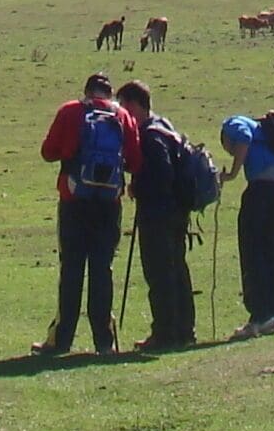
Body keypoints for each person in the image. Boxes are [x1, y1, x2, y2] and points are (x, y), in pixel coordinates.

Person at [33, 70, 128, 355]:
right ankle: (104, 342)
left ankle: (61, 340)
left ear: (87, 91)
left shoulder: (70, 111)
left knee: (71, 269)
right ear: (110, 94)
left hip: (74, 201)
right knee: (102, 269)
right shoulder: (122, 117)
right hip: (109, 205)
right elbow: (134, 160)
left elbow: (48, 151)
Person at [117, 79, 200, 350]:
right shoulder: (165, 126)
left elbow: (161, 173)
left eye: (124, 106)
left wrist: (138, 187)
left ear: (133, 105)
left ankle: (165, 333)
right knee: (177, 269)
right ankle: (184, 330)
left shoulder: (149, 136)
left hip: (158, 213)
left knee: (159, 272)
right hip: (178, 210)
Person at [221, 111, 274, 338]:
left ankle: (259, 316)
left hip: (262, 186)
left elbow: (243, 139)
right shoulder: (265, 133)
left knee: (252, 248)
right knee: (273, 249)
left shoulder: (233, 123)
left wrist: (232, 173)